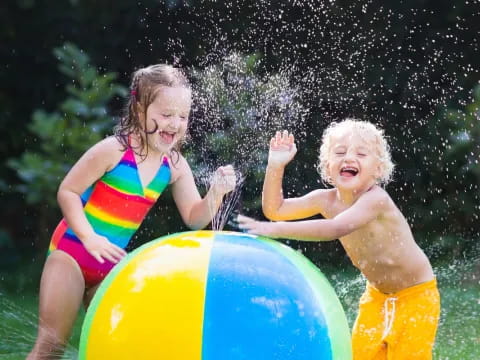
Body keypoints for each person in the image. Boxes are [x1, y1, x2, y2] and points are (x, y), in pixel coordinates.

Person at [27, 64, 237, 359]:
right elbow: (68, 191)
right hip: (71, 253)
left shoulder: (174, 165)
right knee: (52, 347)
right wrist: (89, 238)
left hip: (108, 267)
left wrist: (215, 193)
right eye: (166, 114)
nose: (175, 123)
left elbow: (194, 218)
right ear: (139, 110)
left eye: (182, 116)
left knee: (119, 349)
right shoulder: (113, 150)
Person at [237, 119, 440, 360]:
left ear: (377, 169)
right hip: (376, 297)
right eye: (340, 152)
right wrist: (275, 166)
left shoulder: (376, 199)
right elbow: (275, 209)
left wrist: (276, 230)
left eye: (361, 154)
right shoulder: (325, 200)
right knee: (361, 355)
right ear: (327, 165)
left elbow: (335, 227)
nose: (349, 158)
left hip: (416, 296)